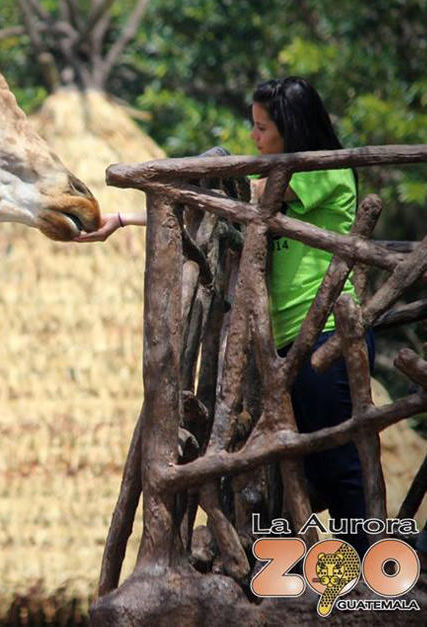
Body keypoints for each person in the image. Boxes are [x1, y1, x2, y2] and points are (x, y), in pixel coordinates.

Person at [77, 76, 372, 557]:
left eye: (262, 128)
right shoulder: (288, 172)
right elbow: (220, 209)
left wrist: (182, 188)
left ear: (291, 128)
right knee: (309, 466)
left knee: (340, 464)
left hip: (325, 337)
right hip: (284, 343)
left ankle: (373, 569)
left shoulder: (324, 171)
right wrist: (126, 220)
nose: (254, 138)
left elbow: (243, 197)